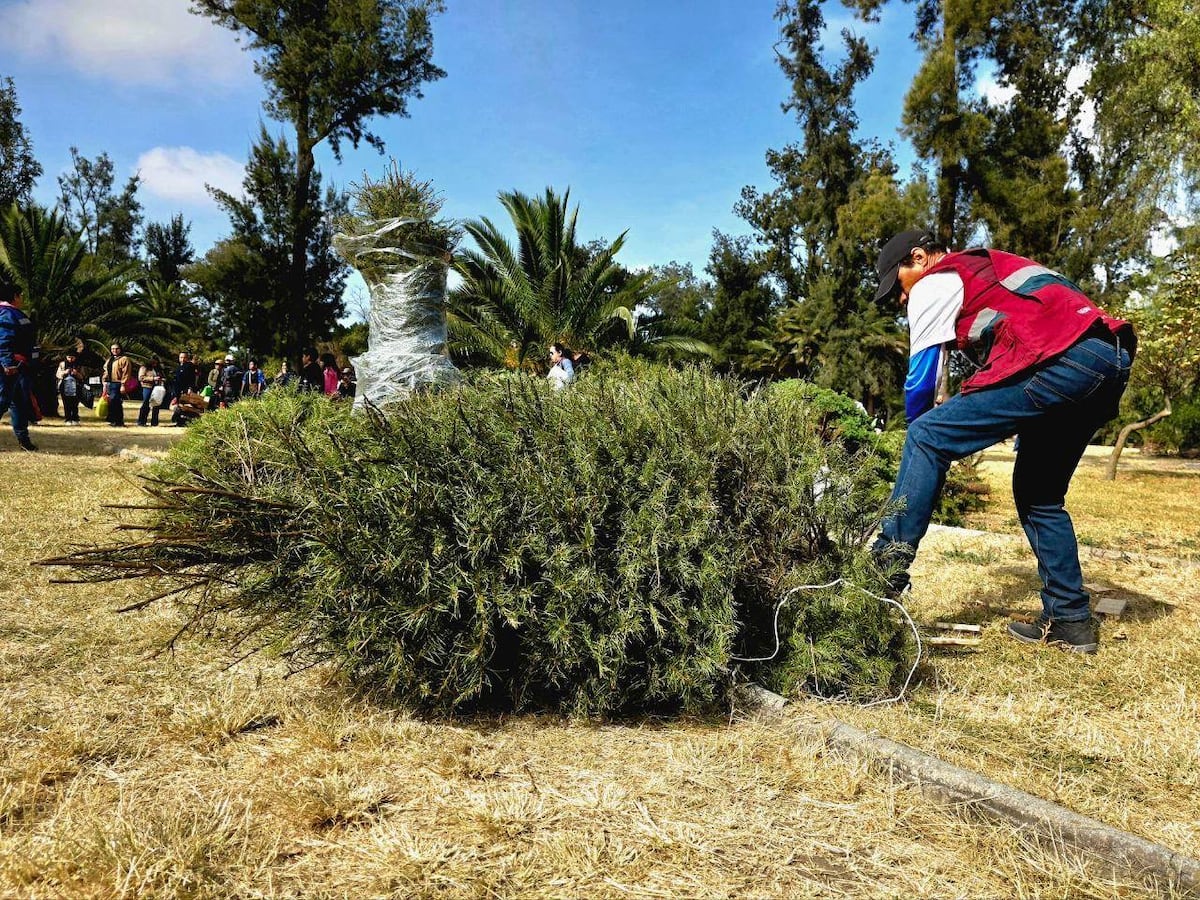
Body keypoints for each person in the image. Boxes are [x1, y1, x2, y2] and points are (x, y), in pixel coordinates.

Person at [871, 228, 1135, 654]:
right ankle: (1070, 620)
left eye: (896, 288)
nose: (901, 300)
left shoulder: (935, 282)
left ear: (919, 258)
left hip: (1060, 359)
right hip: (1107, 358)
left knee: (925, 436)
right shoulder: (989, 267)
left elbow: (921, 382)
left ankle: (881, 577)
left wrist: (921, 446)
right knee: (1039, 493)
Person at [0, 283, 37, 451]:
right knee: (2, 402)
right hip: (8, 367)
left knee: (19, 404)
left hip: (18, 367)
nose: (22, 299)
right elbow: (4, 341)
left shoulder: (13, 314)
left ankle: (24, 441)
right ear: (15, 296)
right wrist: (7, 363)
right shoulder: (6, 314)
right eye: (20, 295)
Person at [102, 342, 133, 428]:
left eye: (116, 349)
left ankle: (119, 421)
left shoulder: (124, 359)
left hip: (118, 383)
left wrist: (123, 384)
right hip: (110, 383)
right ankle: (113, 420)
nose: (114, 350)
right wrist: (104, 381)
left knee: (116, 402)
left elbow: (126, 373)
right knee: (111, 402)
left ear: (120, 349)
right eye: (112, 349)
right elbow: (106, 371)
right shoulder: (110, 359)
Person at [137, 356, 165, 426]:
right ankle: (141, 421)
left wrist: (162, 379)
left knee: (156, 404)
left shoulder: (159, 369)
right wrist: (153, 378)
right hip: (147, 387)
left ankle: (154, 422)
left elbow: (163, 376)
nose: (154, 362)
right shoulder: (144, 368)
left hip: (157, 388)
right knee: (145, 404)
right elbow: (141, 377)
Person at [58, 357, 85, 425]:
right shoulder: (62, 364)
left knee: (75, 403)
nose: (70, 359)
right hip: (64, 385)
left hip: (76, 385)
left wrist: (77, 374)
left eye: (72, 357)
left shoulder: (79, 365)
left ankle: (75, 418)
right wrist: (64, 372)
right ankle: (68, 419)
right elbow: (58, 374)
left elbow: (82, 376)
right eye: (69, 357)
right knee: (66, 403)